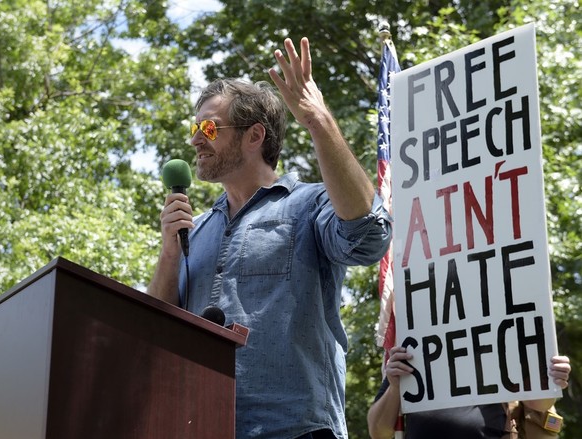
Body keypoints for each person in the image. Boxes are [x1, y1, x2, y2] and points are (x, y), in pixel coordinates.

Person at [147, 37, 392, 439]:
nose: (195, 140)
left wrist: (318, 121)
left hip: (296, 431)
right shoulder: (194, 231)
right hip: (203, 427)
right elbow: (153, 330)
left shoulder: (310, 203)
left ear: (254, 136)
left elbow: (368, 237)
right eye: (195, 128)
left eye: (208, 127)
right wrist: (169, 254)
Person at [367, 346, 572, 439]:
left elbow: (540, 405)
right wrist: (395, 387)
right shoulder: (411, 352)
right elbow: (378, 432)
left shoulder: (505, 344)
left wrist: (552, 378)